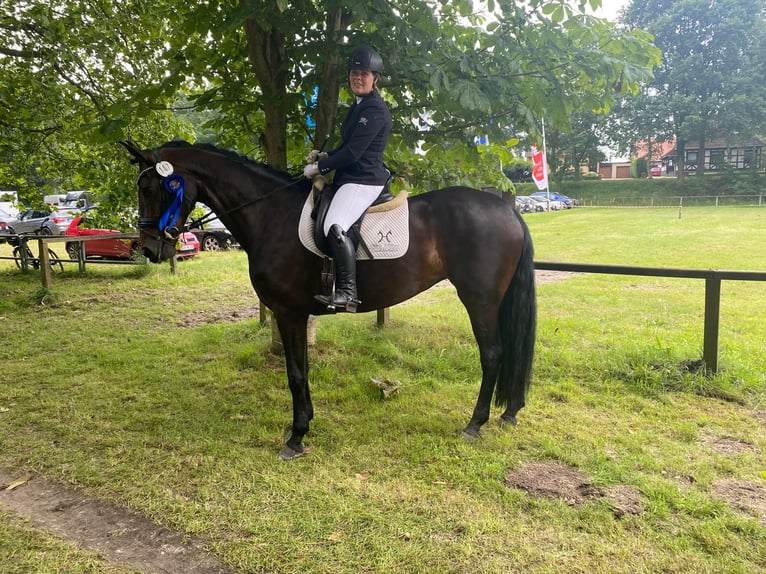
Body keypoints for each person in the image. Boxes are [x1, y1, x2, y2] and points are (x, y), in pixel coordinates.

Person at [303, 45, 392, 313]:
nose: (357, 77)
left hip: (363, 180)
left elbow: (354, 153)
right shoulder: (359, 106)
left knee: (334, 225)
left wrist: (321, 166)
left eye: (363, 73)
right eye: (354, 72)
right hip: (351, 176)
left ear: (375, 78)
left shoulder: (374, 109)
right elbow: (349, 145)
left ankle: (347, 293)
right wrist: (327, 154)